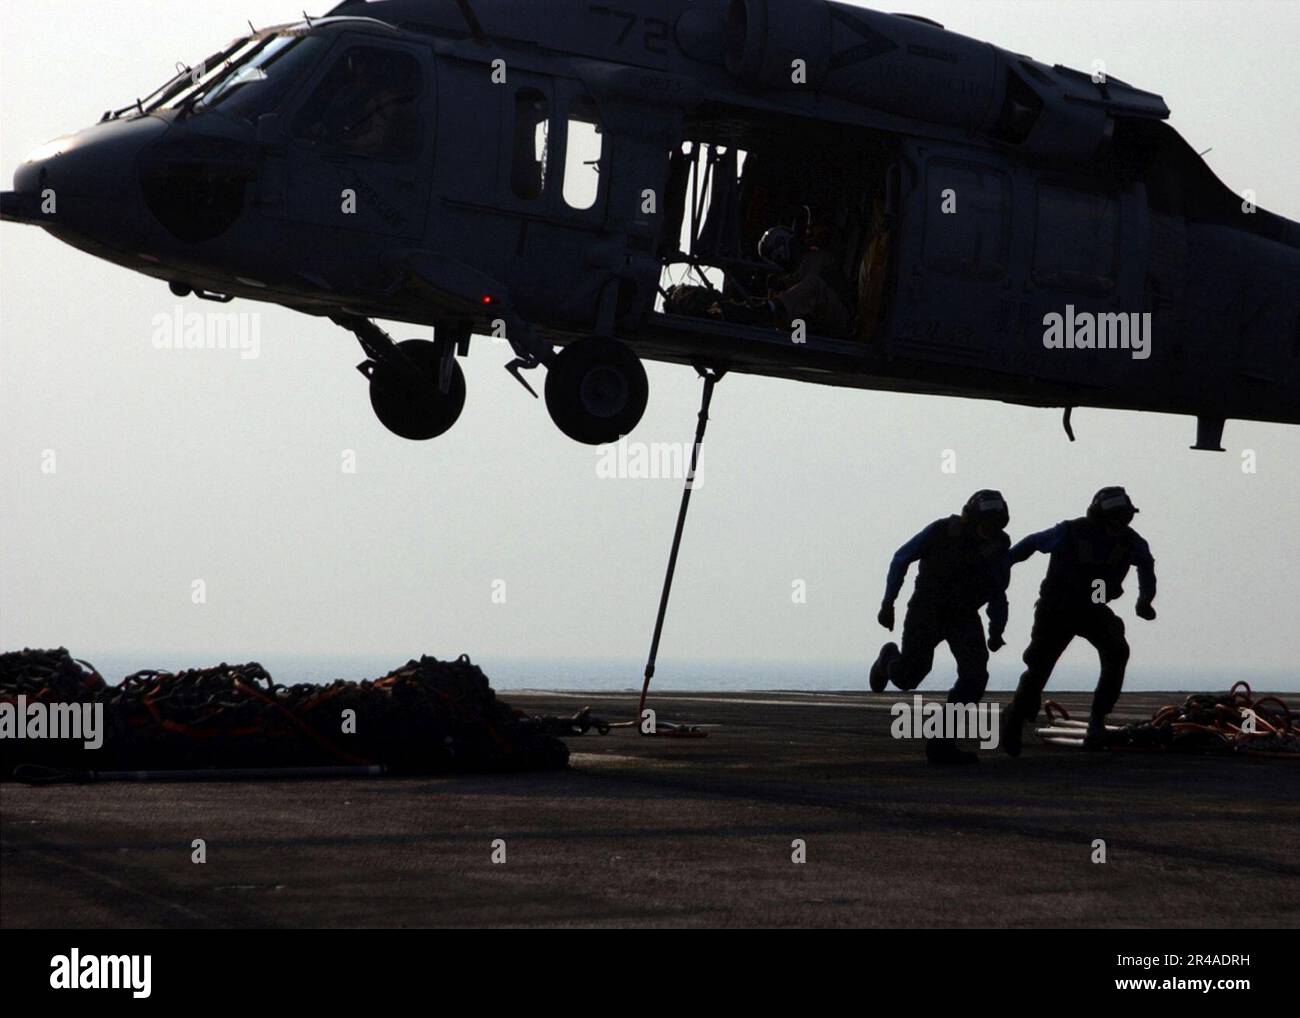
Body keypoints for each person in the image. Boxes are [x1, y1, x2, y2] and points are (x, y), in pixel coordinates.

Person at [1001, 487, 1157, 756]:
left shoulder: (1132, 542)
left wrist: (1144, 601)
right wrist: (1003, 564)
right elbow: (1031, 544)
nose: (1120, 524)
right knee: (1039, 667)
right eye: (1115, 517)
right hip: (1057, 608)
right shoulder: (1070, 531)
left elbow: (1147, 568)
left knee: (1117, 651)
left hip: (1094, 608)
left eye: (1125, 518)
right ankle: (1014, 716)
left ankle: (1097, 722)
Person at [869, 490, 1012, 764]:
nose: (990, 531)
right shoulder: (941, 532)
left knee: (974, 677)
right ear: (971, 519)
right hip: (927, 612)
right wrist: (889, 603)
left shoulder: (998, 548)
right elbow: (901, 558)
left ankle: (941, 743)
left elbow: (998, 592)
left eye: (996, 525)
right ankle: (888, 658)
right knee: (909, 676)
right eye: (986, 523)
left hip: (964, 616)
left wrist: (996, 630)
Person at [757, 225, 853, 338]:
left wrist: (779, 295)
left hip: (841, 318)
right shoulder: (787, 283)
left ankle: (770, 307)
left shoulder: (816, 256)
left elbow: (809, 275)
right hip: (813, 331)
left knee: (813, 284)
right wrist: (773, 292)